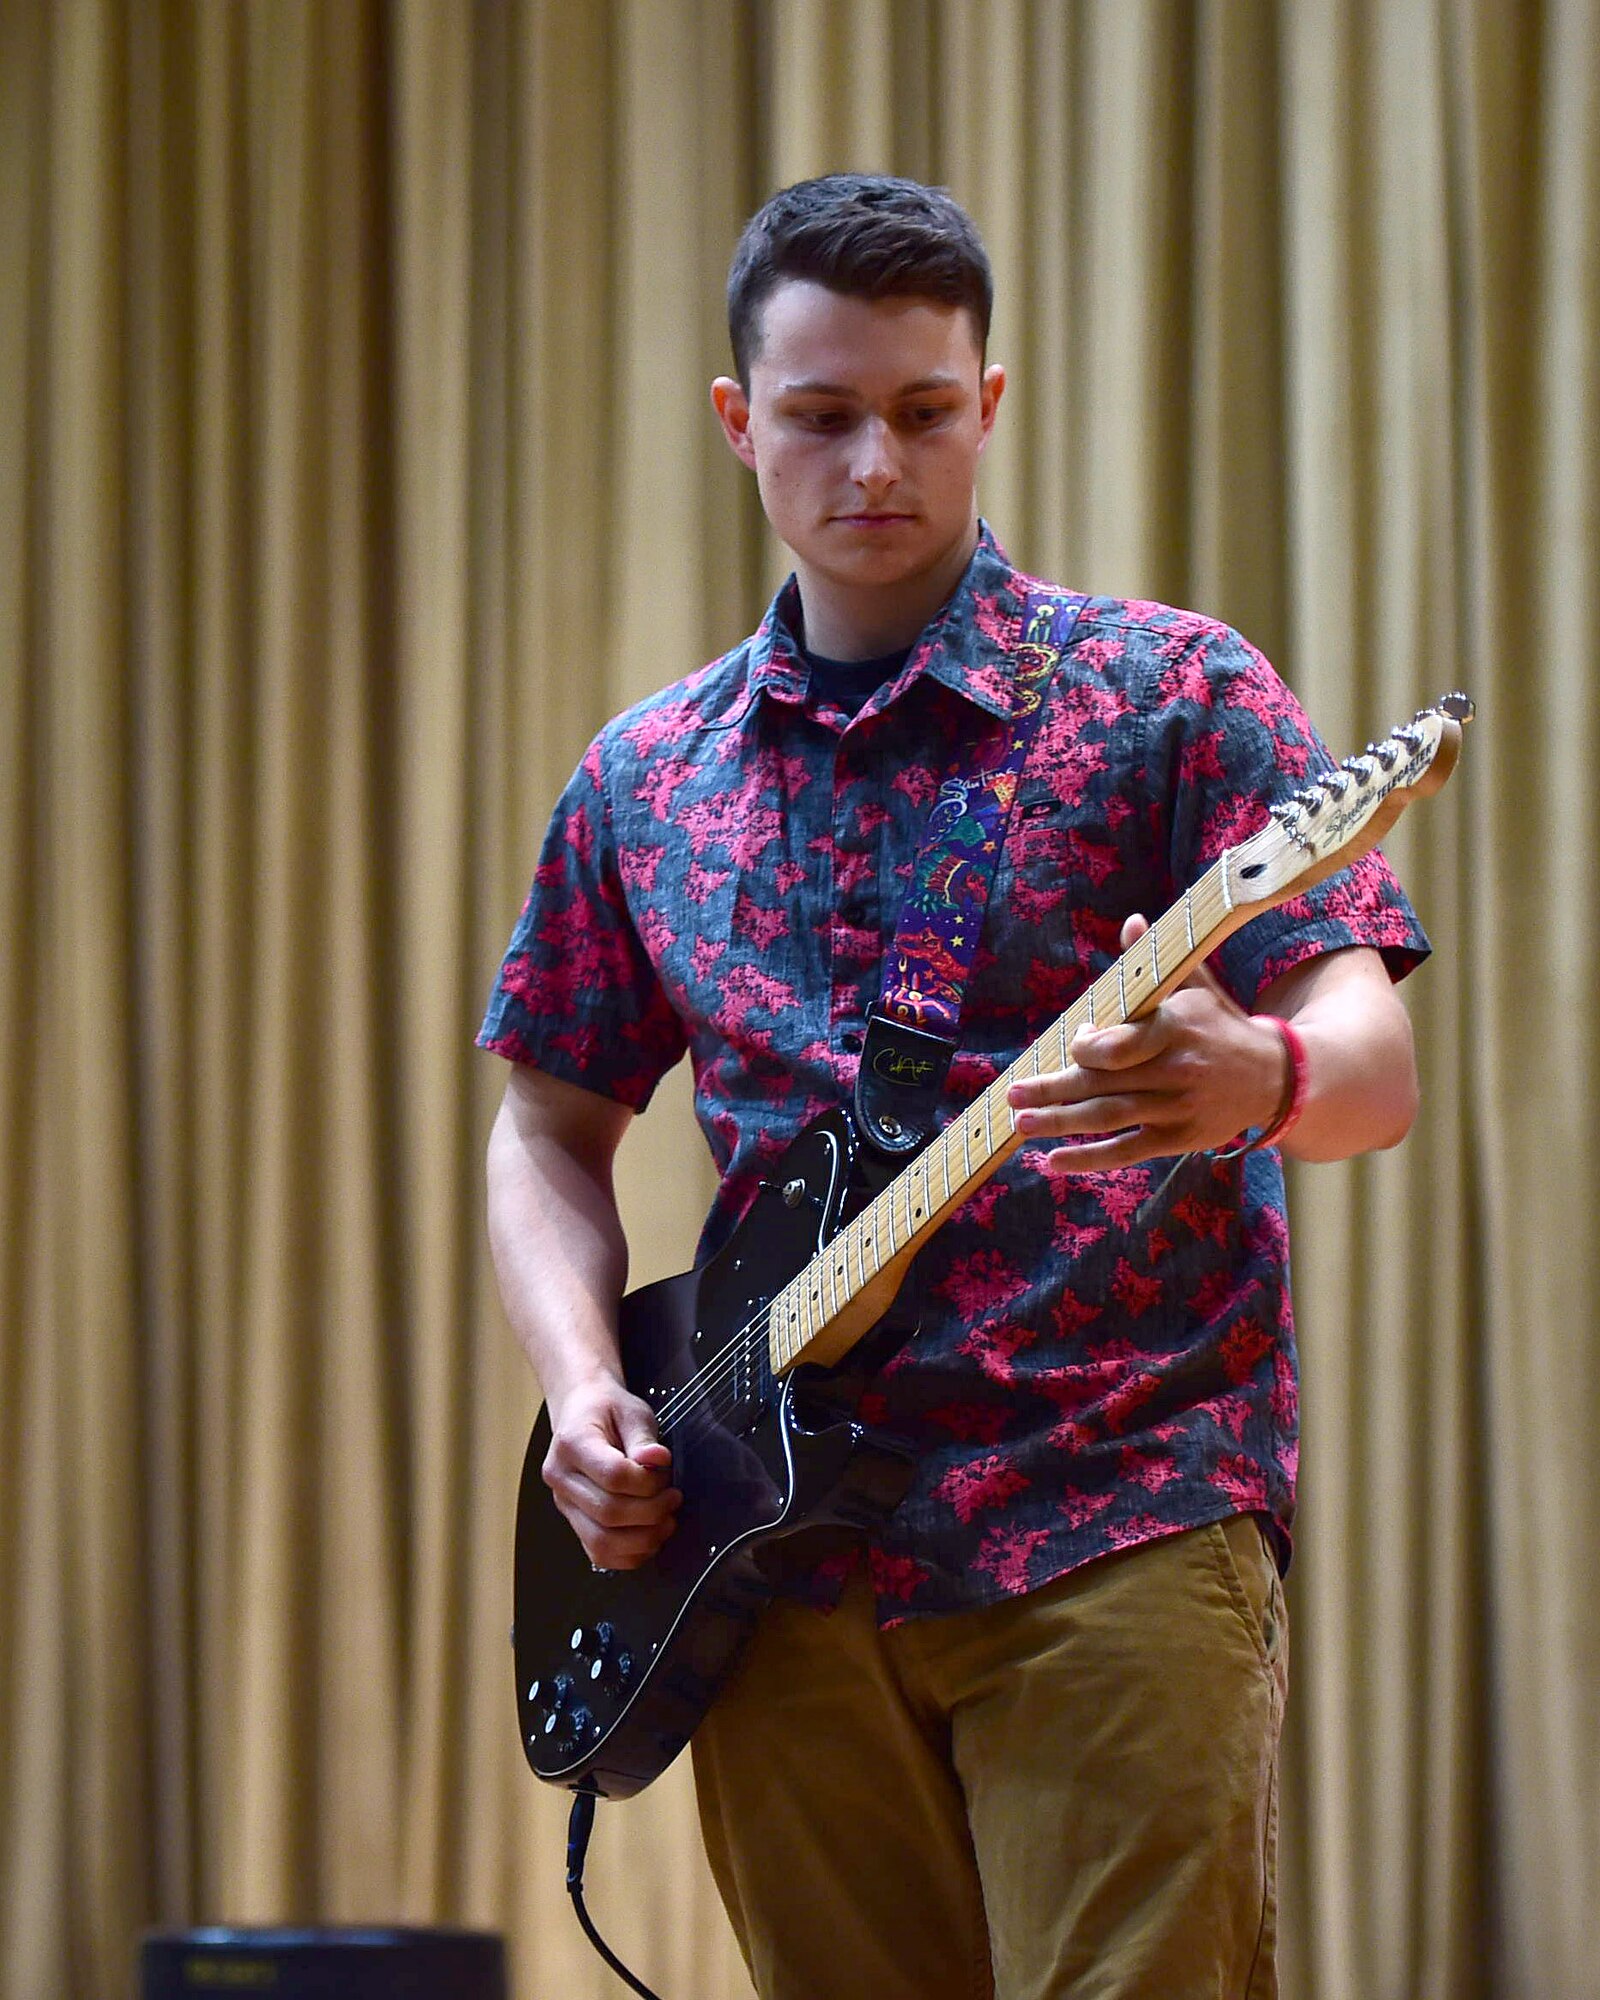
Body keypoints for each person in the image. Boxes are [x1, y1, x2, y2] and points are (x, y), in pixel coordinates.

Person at [481, 175, 1427, 2000]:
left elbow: (1369, 1065)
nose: (875, 463)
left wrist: (1261, 1072)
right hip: (766, 1552)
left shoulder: (1170, 694)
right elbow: (547, 1126)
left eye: (924, 412)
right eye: (823, 416)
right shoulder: (644, 778)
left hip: (1115, 1505)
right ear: (739, 421)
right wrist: (586, 1389)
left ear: (989, 404)